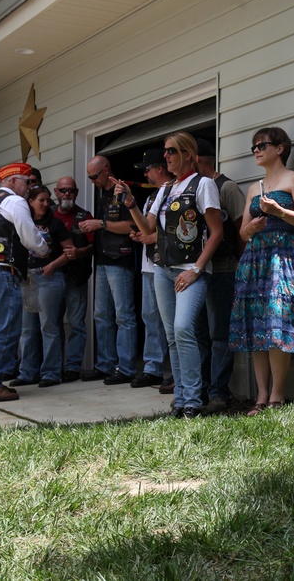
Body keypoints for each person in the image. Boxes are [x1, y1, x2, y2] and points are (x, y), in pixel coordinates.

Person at [118, 131, 224, 418]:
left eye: (171, 151)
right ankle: (181, 399)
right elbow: (148, 229)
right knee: (172, 336)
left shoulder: (203, 185)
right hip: (163, 270)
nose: (165, 156)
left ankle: (193, 400)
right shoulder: (165, 189)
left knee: (182, 329)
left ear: (188, 154)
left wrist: (197, 270)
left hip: (191, 269)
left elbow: (216, 232)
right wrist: (131, 203)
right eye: (165, 152)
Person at [230, 127, 294, 415]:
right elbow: (243, 232)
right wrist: (251, 228)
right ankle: (261, 396)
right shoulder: (255, 188)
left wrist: (279, 211)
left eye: (261, 145)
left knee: (277, 323)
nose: (256, 150)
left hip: (285, 258)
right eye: (253, 146)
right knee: (258, 326)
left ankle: (278, 395)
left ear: (280, 148)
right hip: (256, 260)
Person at [0, 162, 49, 402]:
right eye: (27, 182)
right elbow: (29, 235)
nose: (29, 187)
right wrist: (44, 248)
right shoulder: (14, 201)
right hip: (0, 272)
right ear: (13, 181)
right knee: (5, 330)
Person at [194, 137, 246, 414]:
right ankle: (200, 389)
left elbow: (241, 232)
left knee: (220, 334)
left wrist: (241, 269)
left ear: (199, 159)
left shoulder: (227, 188)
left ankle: (219, 393)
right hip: (197, 272)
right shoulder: (191, 188)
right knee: (199, 332)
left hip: (224, 270)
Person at [78, 155, 138, 384]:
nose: (92, 181)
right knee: (101, 315)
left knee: (124, 315)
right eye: (90, 177)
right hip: (102, 260)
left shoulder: (123, 191)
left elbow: (132, 225)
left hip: (120, 261)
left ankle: (126, 368)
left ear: (106, 170)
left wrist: (100, 224)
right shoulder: (104, 195)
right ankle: (105, 364)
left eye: (94, 176)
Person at [13, 185, 73, 388]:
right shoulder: (23, 222)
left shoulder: (55, 224)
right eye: (41, 200)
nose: (46, 204)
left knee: (49, 326)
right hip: (27, 279)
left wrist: (53, 264)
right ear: (30, 202)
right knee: (27, 329)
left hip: (49, 278)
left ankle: (51, 373)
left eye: (48, 200)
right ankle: (27, 372)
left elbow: (69, 251)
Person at [128, 149, 175, 390]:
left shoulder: (177, 191)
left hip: (170, 266)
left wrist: (154, 237)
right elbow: (148, 227)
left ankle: (176, 371)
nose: (145, 174)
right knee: (150, 317)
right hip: (149, 266)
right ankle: (153, 368)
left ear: (159, 168)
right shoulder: (151, 197)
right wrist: (141, 235)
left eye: (147, 169)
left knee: (172, 320)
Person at [53, 176, 95, 383]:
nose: (66, 194)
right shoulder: (47, 214)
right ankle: (54, 367)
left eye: (70, 190)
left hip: (76, 276)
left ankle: (72, 368)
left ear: (76, 193)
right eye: (62, 190)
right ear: (55, 192)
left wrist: (80, 252)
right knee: (52, 324)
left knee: (77, 323)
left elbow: (95, 245)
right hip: (52, 277)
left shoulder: (83, 216)